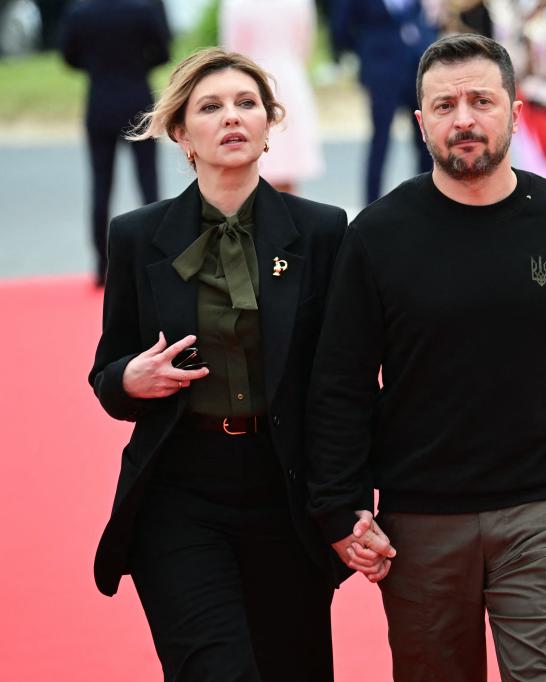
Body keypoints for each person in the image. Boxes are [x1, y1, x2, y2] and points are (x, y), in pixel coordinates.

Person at [306, 33, 546, 681]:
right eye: (446, 105)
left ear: (515, 112)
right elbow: (340, 382)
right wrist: (340, 505)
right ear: (420, 120)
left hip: (544, 513)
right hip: (421, 523)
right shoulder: (376, 236)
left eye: (481, 101)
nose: (464, 119)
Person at [88, 48, 386, 680]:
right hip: (179, 493)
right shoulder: (137, 235)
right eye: (211, 107)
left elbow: (345, 384)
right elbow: (109, 375)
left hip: (286, 493)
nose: (232, 117)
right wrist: (128, 380)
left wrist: (351, 499)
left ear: (270, 122)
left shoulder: (323, 231)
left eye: (247, 104)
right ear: (180, 132)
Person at [59, 0, 171, 286]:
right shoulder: (143, 10)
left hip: (100, 101)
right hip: (138, 99)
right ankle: (156, 259)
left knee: (100, 185)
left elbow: (69, 56)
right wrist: (138, 64)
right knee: (149, 184)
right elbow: (163, 51)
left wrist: (97, 66)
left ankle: (101, 264)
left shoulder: (80, 12)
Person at [329, 0, 437, 204]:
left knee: (426, 139)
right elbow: (340, 28)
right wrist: (366, 50)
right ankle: (372, 207)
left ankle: (429, 200)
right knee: (380, 142)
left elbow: (418, 15)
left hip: (416, 67)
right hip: (381, 71)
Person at [220, 0, 326, 194]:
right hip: (290, 79)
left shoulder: (236, 4)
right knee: (288, 165)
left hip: (251, 78)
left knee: (253, 161)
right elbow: (305, 44)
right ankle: (287, 220)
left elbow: (233, 51)